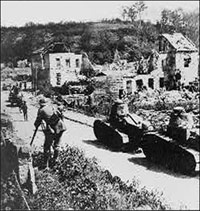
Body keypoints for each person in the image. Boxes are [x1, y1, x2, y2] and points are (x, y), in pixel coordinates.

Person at [34, 98, 67, 169]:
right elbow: (61, 115)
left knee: (47, 146)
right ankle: (55, 162)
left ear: (40, 104)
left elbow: (37, 122)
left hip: (52, 129)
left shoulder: (41, 110)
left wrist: (36, 125)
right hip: (61, 126)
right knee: (57, 145)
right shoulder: (52, 107)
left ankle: (46, 165)